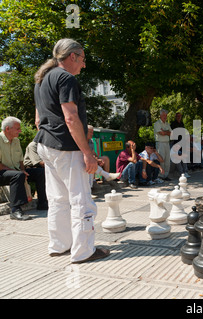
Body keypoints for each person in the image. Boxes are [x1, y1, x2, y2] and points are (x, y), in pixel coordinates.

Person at [33, 38, 109, 263]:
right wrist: (87, 152)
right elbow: (70, 117)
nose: (84, 65)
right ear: (72, 56)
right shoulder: (66, 78)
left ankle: (59, 245)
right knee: (81, 199)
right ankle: (84, 251)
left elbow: (38, 120)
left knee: (57, 198)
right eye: (83, 59)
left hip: (47, 145)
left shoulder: (42, 80)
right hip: (67, 147)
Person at [0, 117, 48, 220]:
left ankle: (43, 203)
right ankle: (15, 210)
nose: (20, 131)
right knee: (18, 175)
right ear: (7, 129)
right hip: (2, 173)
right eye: (17, 128)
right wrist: (19, 172)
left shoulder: (16, 141)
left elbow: (21, 160)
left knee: (40, 172)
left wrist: (23, 170)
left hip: (16, 172)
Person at [154, 109, 172, 181]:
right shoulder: (157, 123)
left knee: (167, 160)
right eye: (163, 115)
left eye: (166, 115)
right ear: (160, 115)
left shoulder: (167, 124)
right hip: (160, 143)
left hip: (167, 143)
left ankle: (166, 175)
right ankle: (161, 175)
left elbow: (171, 133)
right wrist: (166, 132)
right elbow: (162, 133)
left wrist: (165, 131)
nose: (165, 117)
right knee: (161, 159)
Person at [170, 112, 190, 178]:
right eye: (177, 116)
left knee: (184, 157)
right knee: (178, 157)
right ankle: (181, 173)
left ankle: (186, 171)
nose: (179, 117)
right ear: (176, 117)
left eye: (180, 116)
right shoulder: (173, 124)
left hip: (182, 143)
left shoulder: (182, 123)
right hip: (175, 143)